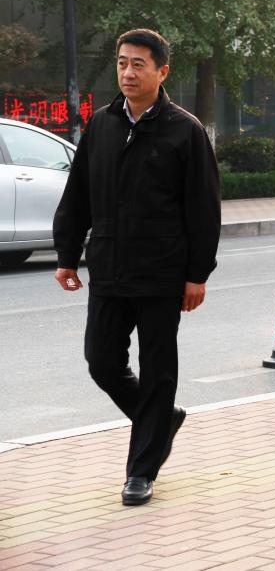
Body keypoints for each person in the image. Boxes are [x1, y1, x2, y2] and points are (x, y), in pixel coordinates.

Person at [52, 28, 220, 506]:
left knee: (158, 370)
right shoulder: (102, 124)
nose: (128, 72)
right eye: (122, 63)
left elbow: (203, 209)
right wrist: (67, 254)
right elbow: (79, 194)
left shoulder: (185, 130)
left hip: (163, 271)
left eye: (138, 64)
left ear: (162, 71)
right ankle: (161, 420)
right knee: (102, 361)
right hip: (109, 266)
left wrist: (197, 274)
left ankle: (141, 470)